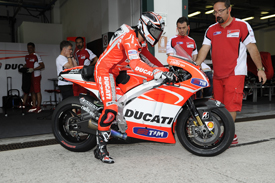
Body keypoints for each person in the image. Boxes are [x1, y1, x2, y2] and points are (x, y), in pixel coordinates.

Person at [94, 12, 174, 164]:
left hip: (119, 70)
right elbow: (136, 64)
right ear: (145, 26)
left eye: (159, 32)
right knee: (111, 109)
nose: (156, 35)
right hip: (106, 71)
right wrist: (155, 72)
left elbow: (150, 59)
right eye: (155, 31)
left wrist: (167, 70)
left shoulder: (141, 40)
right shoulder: (130, 37)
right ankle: (100, 149)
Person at [195, 0, 267, 144]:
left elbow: (252, 48)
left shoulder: (242, 26)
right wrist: (195, 65)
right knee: (219, 106)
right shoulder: (211, 29)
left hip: (235, 72)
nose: (217, 15)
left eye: (220, 11)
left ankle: (229, 136)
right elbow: (204, 49)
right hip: (218, 74)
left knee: (230, 105)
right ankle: (225, 133)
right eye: (215, 12)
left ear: (229, 9)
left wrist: (260, 69)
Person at [166, 16, 213, 98]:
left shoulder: (192, 41)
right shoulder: (172, 40)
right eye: (179, 28)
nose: (181, 30)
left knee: (208, 76)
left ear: (188, 27)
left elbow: (196, 59)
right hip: (180, 72)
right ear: (177, 28)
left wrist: (200, 73)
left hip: (191, 71)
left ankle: (206, 99)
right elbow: (170, 59)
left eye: (184, 28)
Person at [21, 42, 45, 113]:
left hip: (36, 75)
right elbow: (27, 64)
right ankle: (34, 106)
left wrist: (33, 69)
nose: (29, 49)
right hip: (29, 76)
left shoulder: (36, 55)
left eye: (31, 48)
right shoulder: (27, 57)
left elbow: (42, 66)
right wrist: (23, 67)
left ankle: (39, 107)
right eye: (28, 48)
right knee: (32, 91)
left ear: (34, 48)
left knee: (37, 91)